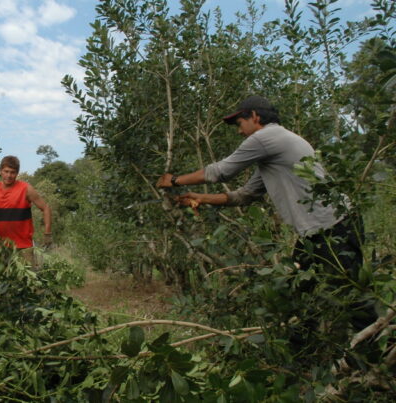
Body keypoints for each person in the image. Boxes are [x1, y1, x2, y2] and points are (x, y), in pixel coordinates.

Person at [156, 95, 374, 331]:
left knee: (355, 299)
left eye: (240, 124)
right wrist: (201, 198)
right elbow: (246, 195)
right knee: (299, 294)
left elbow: (220, 172)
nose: (240, 132)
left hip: (333, 227)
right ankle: (307, 353)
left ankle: (380, 356)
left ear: (255, 116)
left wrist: (175, 180)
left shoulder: (266, 137)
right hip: (318, 232)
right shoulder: (276, 148)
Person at [0, 155, 52, 268]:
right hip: (1, 247)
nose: (9, 175)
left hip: (24, 247)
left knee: (27, 281)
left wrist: (47, 233)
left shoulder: (26, 189)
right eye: (6, 171)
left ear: (17, 173)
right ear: (0, 171)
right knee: (3, 281)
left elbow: (46, 208)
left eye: (13, 172)